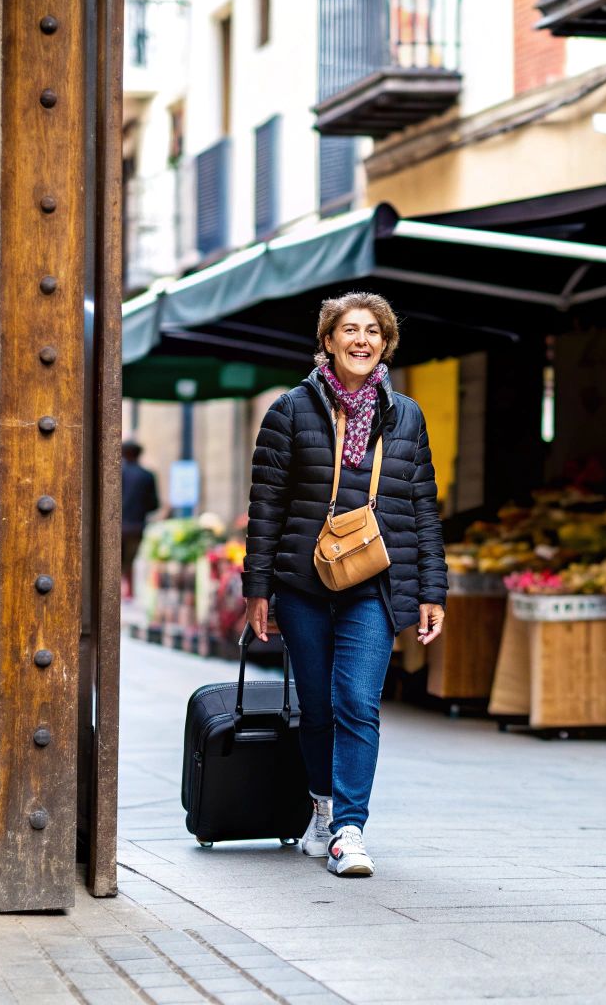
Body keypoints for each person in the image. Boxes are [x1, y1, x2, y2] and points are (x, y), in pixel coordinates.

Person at [242, 291, 447, 878]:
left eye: (374, 331)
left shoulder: (406, 415)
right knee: (317, 705)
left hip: (377, 582)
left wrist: (432, 590)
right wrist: (258, 588)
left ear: (386, 344)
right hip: (304, 583)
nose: (362, 340)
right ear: (328, 341)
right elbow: (267, 507)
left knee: (358, 700)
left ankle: (348, 830)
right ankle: (322, 802)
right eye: (350, 330)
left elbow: (423, 509)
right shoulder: (290, 410)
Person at [120, 438, 160, 600]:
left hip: (116, 525)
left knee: (114, 559)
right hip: (137, 525)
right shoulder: (147, 475)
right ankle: (129, 591)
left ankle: (116, 591)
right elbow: (154, 504)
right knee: (130, 559)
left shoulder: (117, 472)